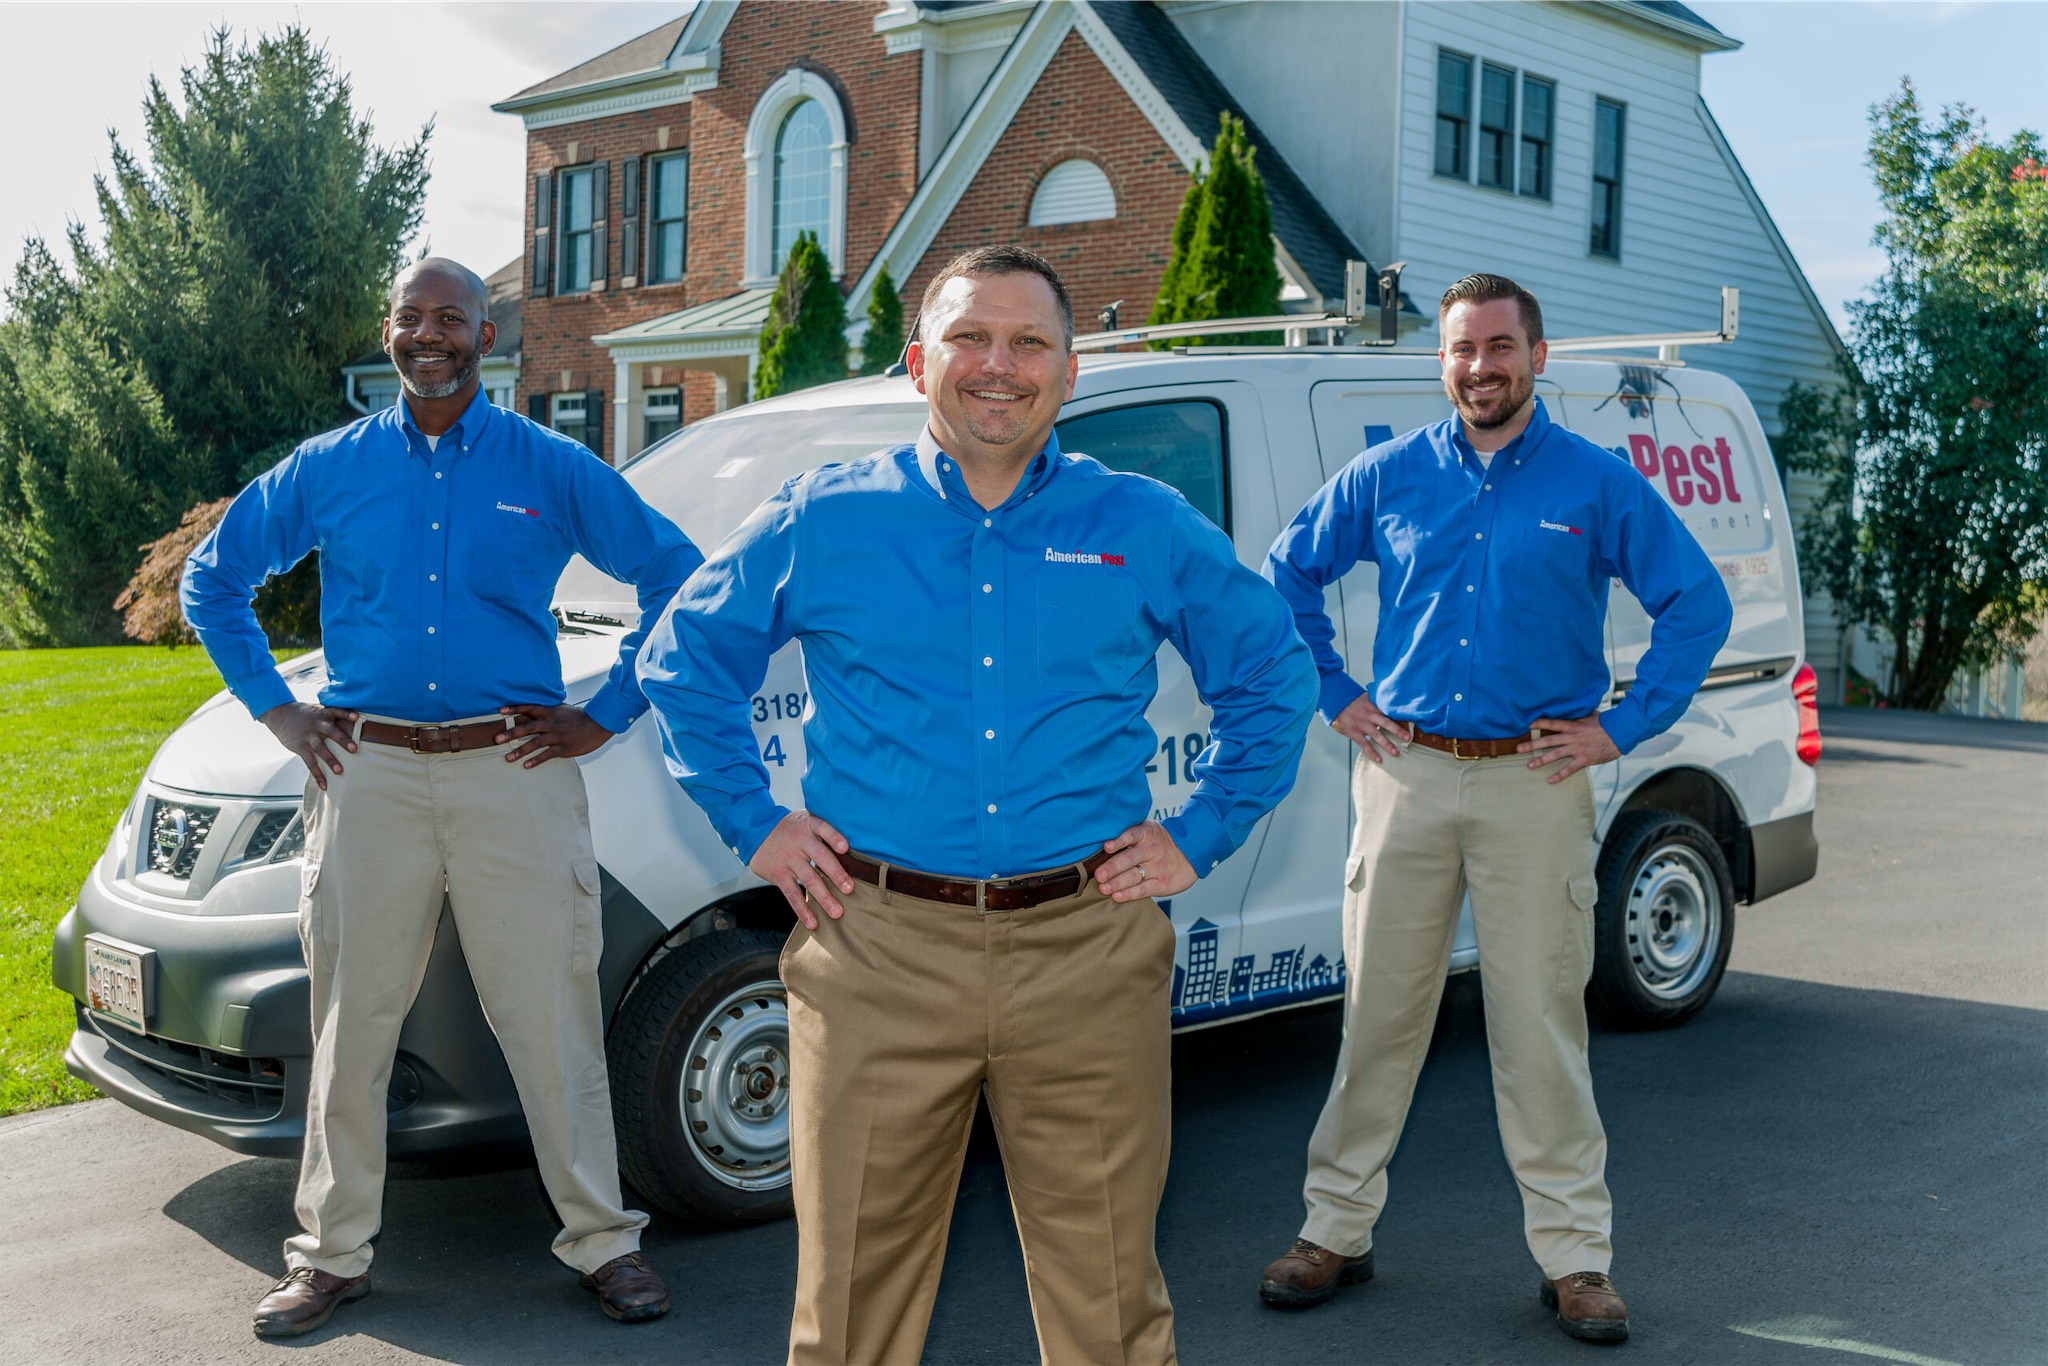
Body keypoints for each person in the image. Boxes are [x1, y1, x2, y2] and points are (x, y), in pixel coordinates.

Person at [638, 244, 1317, 1365]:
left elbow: (1273, 674)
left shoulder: (1140, 522)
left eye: (1028, 342)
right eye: (968, 337)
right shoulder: (825, 517)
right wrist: (755, 824)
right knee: (850, 1308)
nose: (996, 366)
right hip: (876, 953)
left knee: (1108, 1303)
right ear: (919, 362)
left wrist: (1197, 834)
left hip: (1085, 951)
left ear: (1069, 370)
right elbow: (681, 662)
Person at [181, 257, 701, 1338]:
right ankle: (330, 1255)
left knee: (550, 1016)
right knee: (351, 1018)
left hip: (511, 772)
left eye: (451, 319)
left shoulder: (546, 464)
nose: (430, 334)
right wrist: (278, 710)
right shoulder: (327, 468)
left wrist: (606, 713)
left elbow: (681, 578)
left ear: (484, 334)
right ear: (390, 331)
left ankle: (604, 1242)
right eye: (413, 318)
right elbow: (213, 579)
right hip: (364, 776)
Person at [1255, 273, 1733, 1343]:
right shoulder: (1385, 476)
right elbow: (1282, 574)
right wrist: (1334, 692)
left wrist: (1618, 725)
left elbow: (1693, 604)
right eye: (1462, 349)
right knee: (1379, 1014)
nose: (1481, 367)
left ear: (1537, 354)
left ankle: (1574, 1259)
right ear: (1441, 361)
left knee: (1538, 1023)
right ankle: (1333, 1229)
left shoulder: (1594, 484)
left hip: (1536, 781)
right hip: (1406, 775)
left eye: (1499, 347)